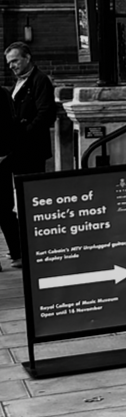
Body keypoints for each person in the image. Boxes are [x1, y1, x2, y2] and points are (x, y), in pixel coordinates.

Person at [3, 43, 56, 267]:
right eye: (9, 63)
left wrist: (24, 134)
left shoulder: (39, 80)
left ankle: (33, 250)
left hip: (31, 150)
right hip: (18, 150)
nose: (12, 66)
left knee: (31, 200)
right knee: (16, 200)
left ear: (27, 58)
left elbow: (46, 114)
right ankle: (21, 247)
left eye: (15, 61)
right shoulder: (19, 82)